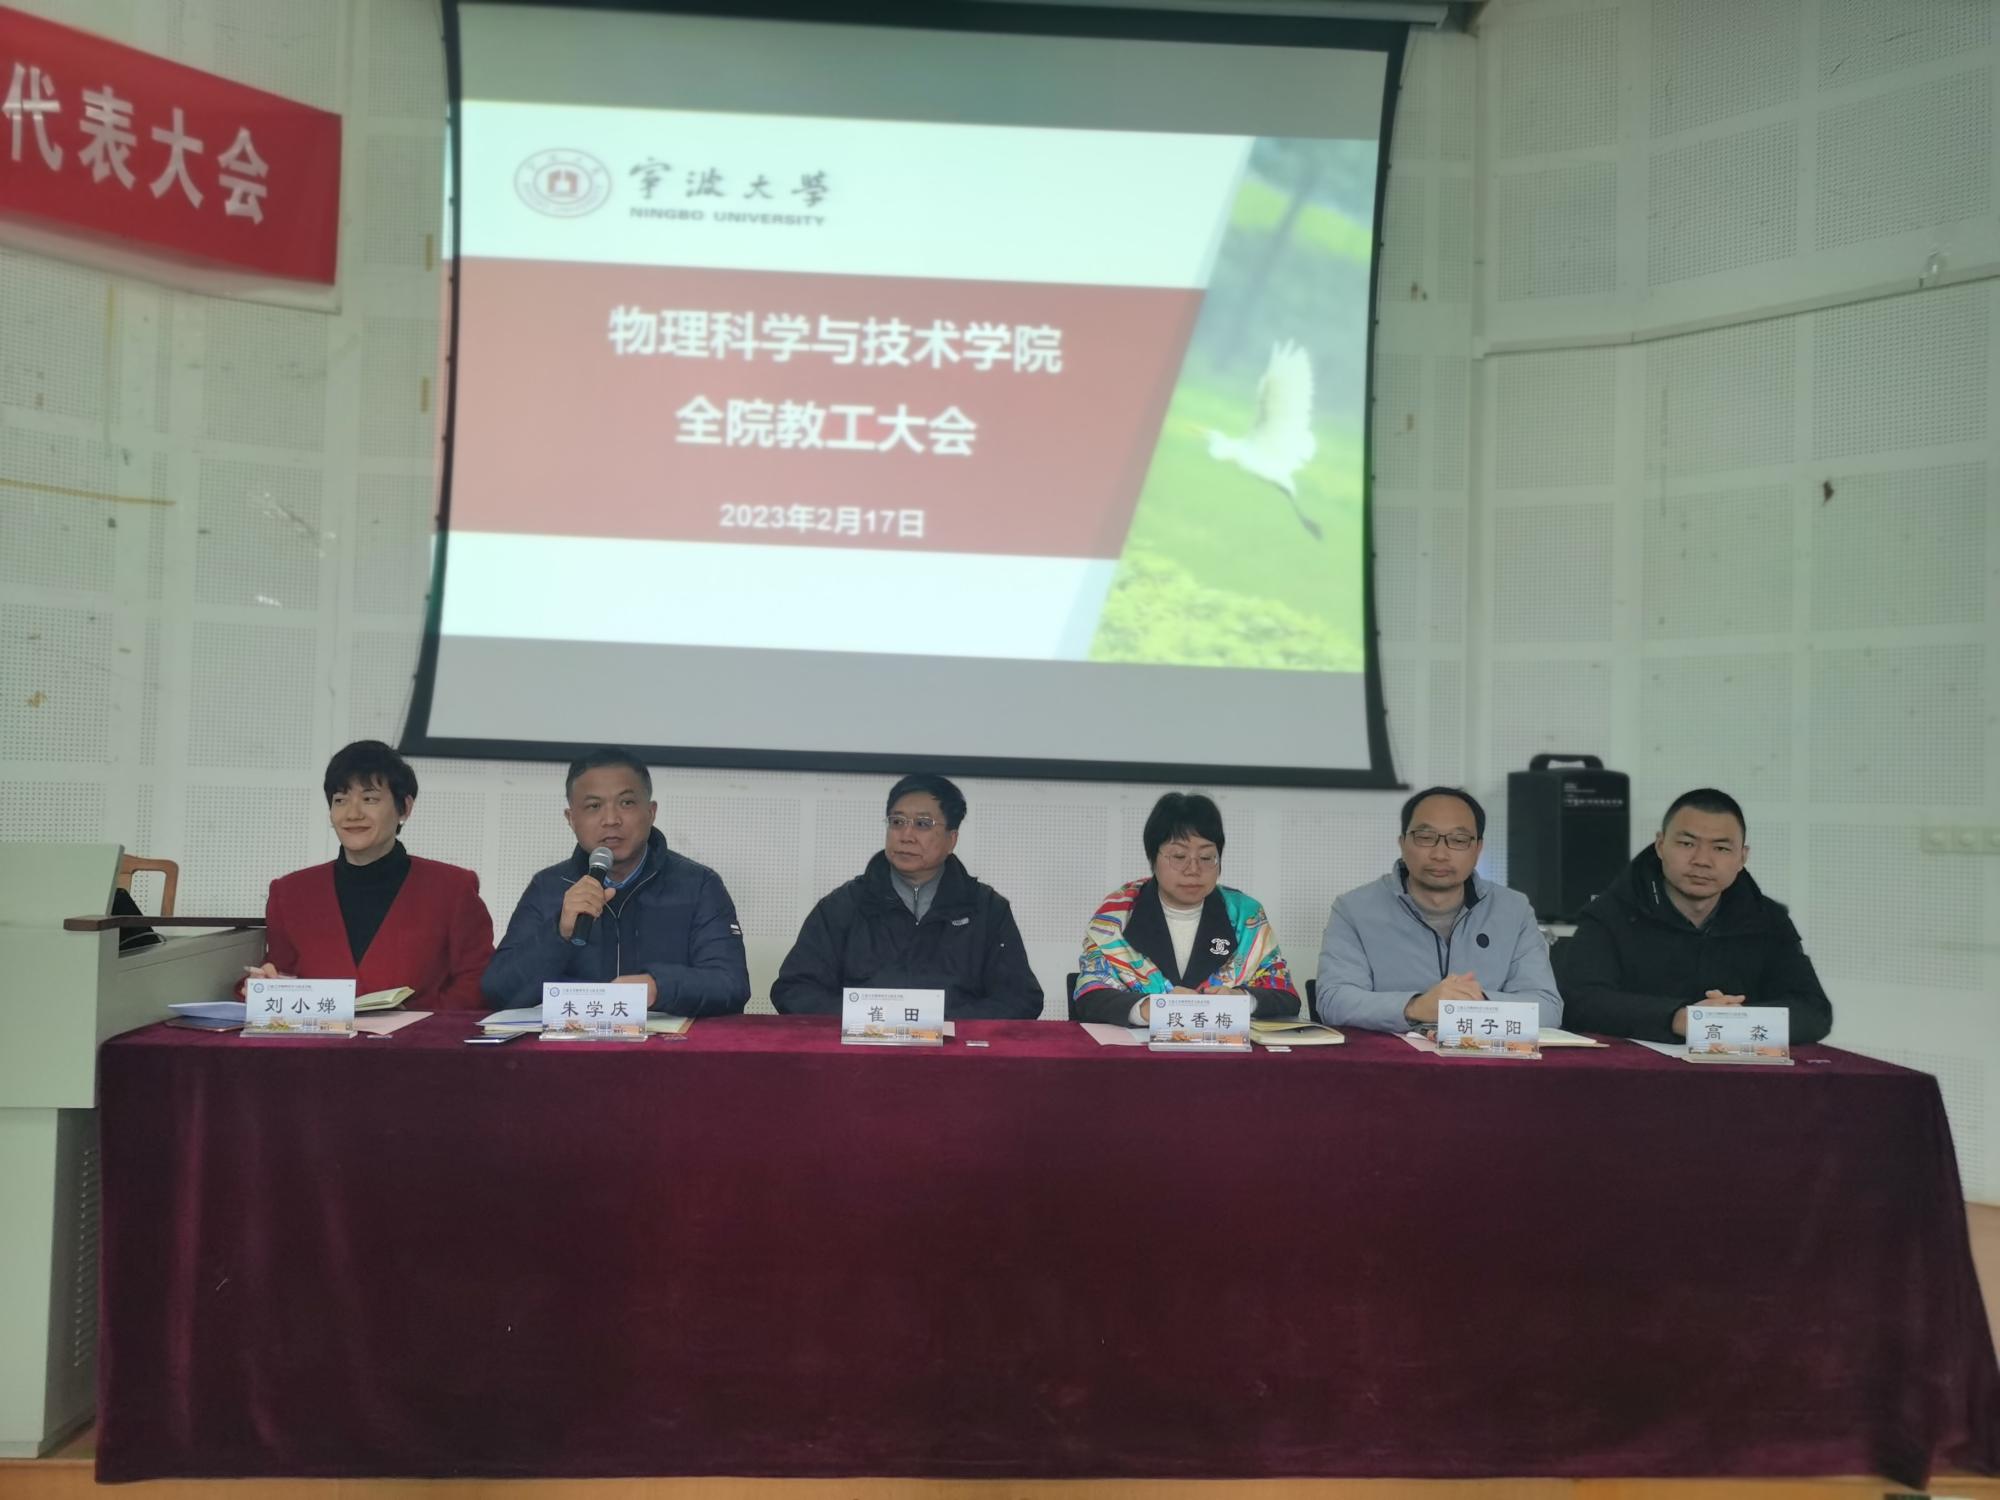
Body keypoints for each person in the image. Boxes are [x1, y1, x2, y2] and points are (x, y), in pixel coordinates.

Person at [482, 748, 750, 1015]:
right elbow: (497, 992)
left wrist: (658, 988)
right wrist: (558, 933)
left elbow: (731, 985)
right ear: (571, 819)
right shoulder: (549, 887)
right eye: (594, 806)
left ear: (651, 812)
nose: (611, 820)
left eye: (626, 803)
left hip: (666, 1041)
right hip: (571, 1039)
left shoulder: (698, 885)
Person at [1554, 788, 1832, 1044]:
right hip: (1640, 1070)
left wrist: (1733, 1020)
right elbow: (1581, 1001)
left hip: (1739, 1070)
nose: (1702, 860)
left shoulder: (1767, 920)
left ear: (1742, 857)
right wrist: (1676, 1018)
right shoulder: (1611, 913)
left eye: (1721, 848)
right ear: (1660, 845)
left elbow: (1813, 1010)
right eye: (1687, 844)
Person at [771, 773, 1042, 1020]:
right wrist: (866, 1018)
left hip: (955, 1050)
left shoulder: (987, 909)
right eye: (897, 822)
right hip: (862, 1049)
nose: (906, 835)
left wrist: (938, 1022)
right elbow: (795, 990)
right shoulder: (842, 906)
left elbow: (1020, 998)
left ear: (952, 839)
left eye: (923, 824)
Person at [249, 740, 493, 1008]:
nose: (352, 814)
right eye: (340, 800)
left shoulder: (452, 888)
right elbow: (279, 974)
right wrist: (262, 985)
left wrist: (417, 1019)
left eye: (369, 799)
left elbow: (477, 982)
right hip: (319, 1035)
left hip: (419, 1035)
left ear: (405, 808)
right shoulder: (290, 893)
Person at [1316, 786, 1561, 1033]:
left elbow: (1548, 1008)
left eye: (1458, 840)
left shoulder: (1514, 910)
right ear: (1402, 843)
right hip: (1391, 1056)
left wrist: (1472, 1005)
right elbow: (1333, 1001)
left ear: (1478, 849)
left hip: (1486, 1054)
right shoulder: (1354, 909)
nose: (1440, 854)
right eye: (1425, 837)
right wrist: (1415, 1007)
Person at [1072, 791, 1299, 1025]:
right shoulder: (1118, 915)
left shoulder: (1245, 915)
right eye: (1179, 856)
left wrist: (1241, 999)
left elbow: (1285, 996)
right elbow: (1090, 995)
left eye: (1206, 857)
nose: (1193, 869)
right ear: (1153, 858)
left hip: (1223, 1045)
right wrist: (1150, 1008)